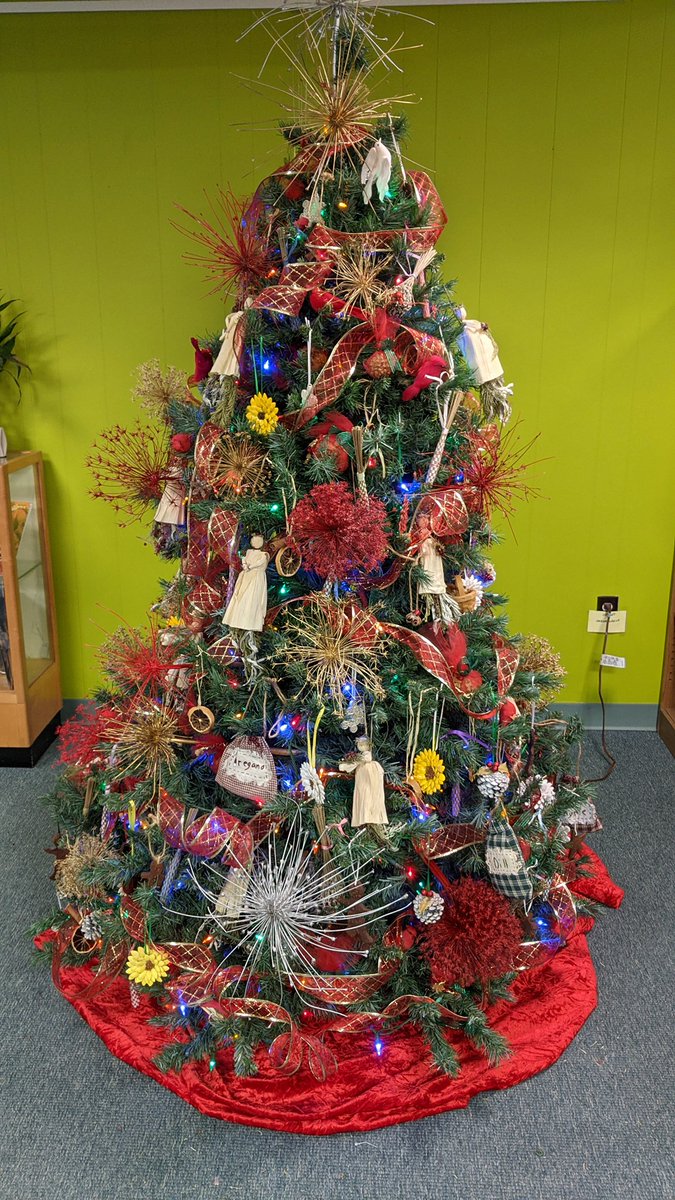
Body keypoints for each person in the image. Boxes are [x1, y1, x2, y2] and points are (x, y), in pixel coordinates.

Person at [222, 535, 269, 633]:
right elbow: (244, 559)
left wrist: (249, 566)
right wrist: (245, 566)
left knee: (253, 598)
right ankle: (239, 619)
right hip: (247, 576)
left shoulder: (264, 555)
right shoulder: (249, 552)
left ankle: (250, 621)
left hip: (255, 578)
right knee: (242, 596)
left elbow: (260, 563)